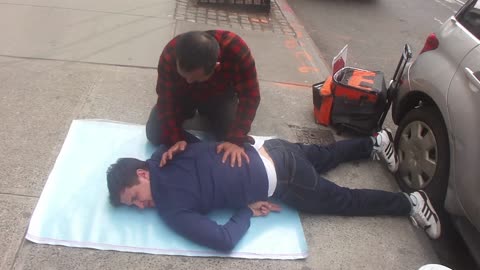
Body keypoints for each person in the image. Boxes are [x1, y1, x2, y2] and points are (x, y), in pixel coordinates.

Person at [106, 129, 441, 251]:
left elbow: (223, 241)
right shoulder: (164, 152)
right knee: (323, 155)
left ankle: (409, 203)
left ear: (141, 174)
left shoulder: (169, 208)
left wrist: (245, 211)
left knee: (343, 199)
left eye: (135, 197)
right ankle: (374, 142)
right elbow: (196, 148)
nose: (141, 207)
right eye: (132, 206)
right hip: (272, 148)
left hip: (282, 176)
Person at [146, 30, 260, 167]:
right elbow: (165, 100)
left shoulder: (237, 50)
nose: (188, 81)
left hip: (219, 96)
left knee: (231, 140)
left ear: (216, 66)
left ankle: (213, 120)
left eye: (195, 79)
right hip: (182, 97)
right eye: (183, 76)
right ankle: (192, 142)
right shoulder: (171, 52)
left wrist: (235, 140)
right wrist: (176, 139)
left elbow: (250, 96)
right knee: (155, 132)